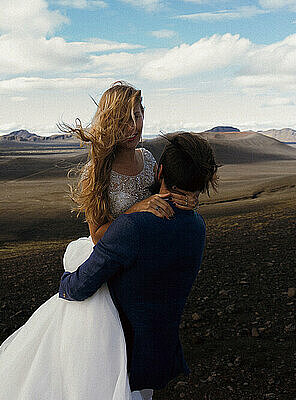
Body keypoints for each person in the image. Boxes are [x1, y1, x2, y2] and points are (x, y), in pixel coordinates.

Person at [0, 82, 199, 400]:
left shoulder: (148, 160)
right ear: (109, 122)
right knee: (103, 357)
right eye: (124, 119)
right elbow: (97, 234)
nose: (134, 126)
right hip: (107, 261)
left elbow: (158, 202)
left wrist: (185, 199)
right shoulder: (97, 172)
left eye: (138, 115)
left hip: (136, 265)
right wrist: (136, 211)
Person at [59, 132, 219, 400]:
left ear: (159, 172)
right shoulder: (197, 227)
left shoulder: (132, 228)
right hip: (156, 354)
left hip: (118, 356)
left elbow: (78, 288)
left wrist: (65, 277)